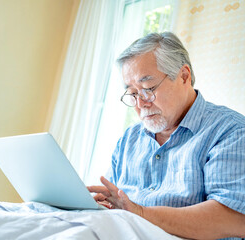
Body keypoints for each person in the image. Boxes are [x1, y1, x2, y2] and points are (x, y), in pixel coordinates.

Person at [87, 32, 245, 240]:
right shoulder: (130, 138)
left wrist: (140, 213)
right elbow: (114, 200)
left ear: (184, 76)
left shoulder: (230, 131)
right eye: (133, 93)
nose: (141, 103)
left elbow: (234, 219)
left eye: (147, 88)